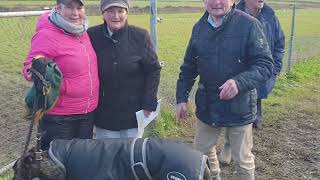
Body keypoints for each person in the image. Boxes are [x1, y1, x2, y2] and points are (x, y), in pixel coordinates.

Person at [175, 0, 274, 179]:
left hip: (240, 106)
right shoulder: (199, 28)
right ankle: (214, 176)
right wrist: (181, 98)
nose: (216, 2)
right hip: (208, 104)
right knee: (200, 154)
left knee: (243, 161)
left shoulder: (249, 25)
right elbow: (189, 66)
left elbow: (265, 65)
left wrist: (238, 83)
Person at [22, 0, 99, 150]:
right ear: (58, 8)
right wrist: (41, 73)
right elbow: (29, 68)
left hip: (87, 112)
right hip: (60, 117)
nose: (75, 13)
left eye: (79, 7)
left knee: (81, 161)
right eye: (69, 7)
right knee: (56, 166)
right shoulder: (46, 35)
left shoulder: (82, 32)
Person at [218, 0, 286, 165]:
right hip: (239, 74)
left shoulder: (270, 16)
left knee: (251, 108)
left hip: (261, 73)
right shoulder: (232, 14)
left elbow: (279, 44)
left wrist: (274, 69)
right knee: (235, 109)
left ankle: (243, 148)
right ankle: (228, 145)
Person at [87, 0, 161, 139]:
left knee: (130, 154)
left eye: (120, 11)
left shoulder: (140, 36)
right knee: (106, 155)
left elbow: (153, 69)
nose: (116, 16)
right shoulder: (91, 35)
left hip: (133, 113)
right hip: (104, 113)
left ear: (127, 13)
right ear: (103, 14)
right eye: (110, 11)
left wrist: (149, 100)